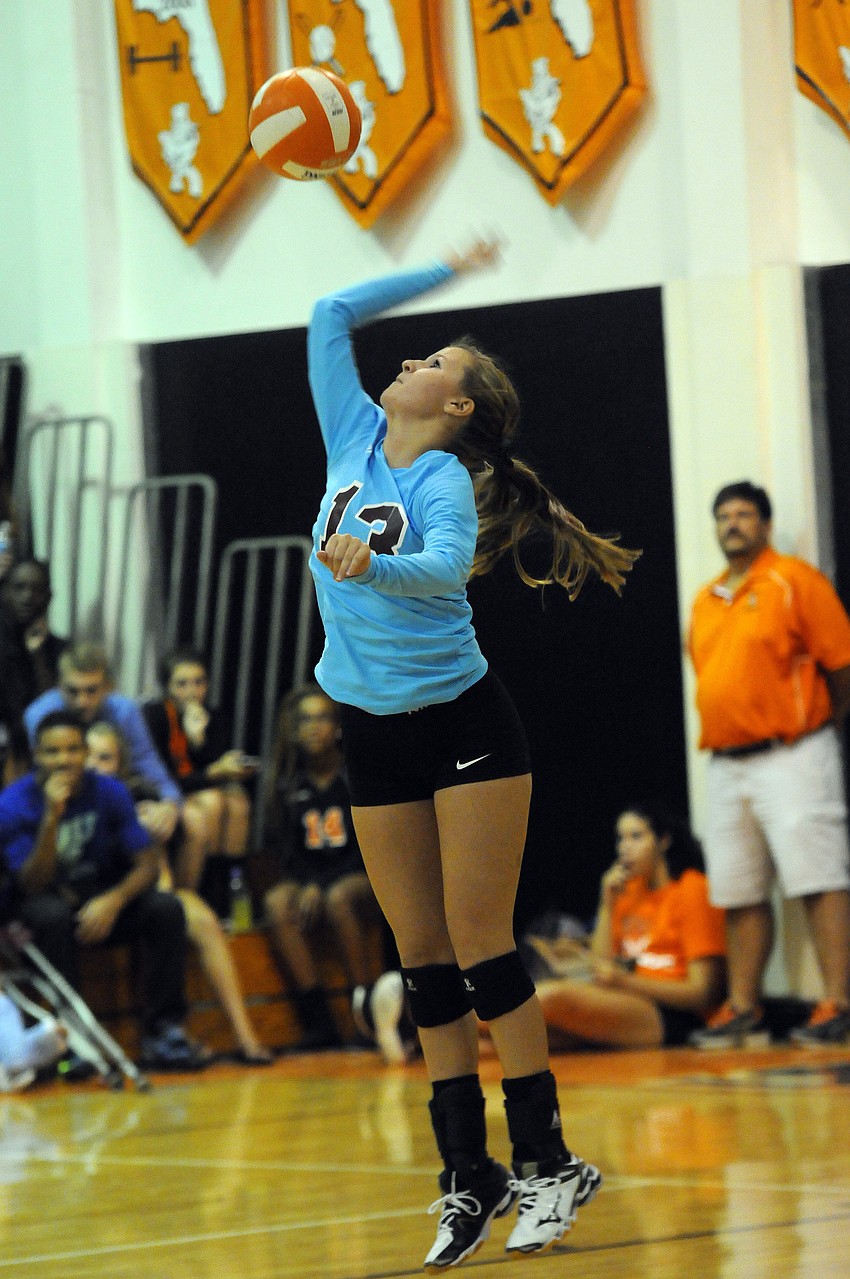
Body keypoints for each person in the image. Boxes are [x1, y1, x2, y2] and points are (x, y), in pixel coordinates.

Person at [306, 240, 639, 1266]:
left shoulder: (445, 474)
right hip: (371, 726)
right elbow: (329, 311)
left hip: (463, 723)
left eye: (435, 361)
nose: (410, 361)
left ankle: (547, 1161)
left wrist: (373, 561)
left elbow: (447, 565)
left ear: (457, 406)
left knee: (482, 946)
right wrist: (445, 267)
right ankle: (468, 1172)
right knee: (422, 963)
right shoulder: (354, 433)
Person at [688, 480, 850, 1048]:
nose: (732, 524)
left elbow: (841, 663)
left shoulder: (795, 580)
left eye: (744, 514)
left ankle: (839, 1003)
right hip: (726, 763)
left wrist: (821, 725)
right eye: (724, 515)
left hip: (794, 753)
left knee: (819, 878)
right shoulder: (705, 599)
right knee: (738, 888)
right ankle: (743, 1007)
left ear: (765, 524)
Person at [0, 710, 207, 1070]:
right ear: (36, 756)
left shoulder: (110, 791)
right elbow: (30, 883)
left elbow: (147, 865)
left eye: (73, 750)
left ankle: (164, 1030)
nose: (64, 760)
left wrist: (113, 901)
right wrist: (51, 817)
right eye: (52, 751)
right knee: (51, 915)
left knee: (166, 908)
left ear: (85, 752)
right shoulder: (13, 803)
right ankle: (74, 1039)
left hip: (99, 894)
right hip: (41, 902)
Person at [85, 721, 273, 1065]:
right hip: (96, 897)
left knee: (198, 919)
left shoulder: (138, 796)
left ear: (121, 762)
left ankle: (246, 1037)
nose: (95, 766)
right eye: (89, 757)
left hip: (146, 891)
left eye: (105, 758)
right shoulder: (72, 801)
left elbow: (162, 877)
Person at [263, 684, 410, 1060]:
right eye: (305, 720)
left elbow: (369, 849)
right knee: (277, 903)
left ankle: (365, 1011)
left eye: (322, 718)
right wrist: (308, 883)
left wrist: (319, 884)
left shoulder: (354, 775)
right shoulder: (289, 785)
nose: (313, 727)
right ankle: (319, 1021)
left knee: (338, 897)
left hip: (363, 875)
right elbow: (288, 853)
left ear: (338, 727)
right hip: (314, 878)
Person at [532, 806, 727, 1050]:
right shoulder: (629, 892)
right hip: (628, 999)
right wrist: (606, 904)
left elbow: (703, 993)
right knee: (512, 1041)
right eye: (620, 838)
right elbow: (601, 968)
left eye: (636, 836)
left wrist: (624, 981)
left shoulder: (692, 889)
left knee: (547, 999)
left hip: (675, 1012)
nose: (624, 847)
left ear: (664, 840)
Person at [24, 643, 182, 848]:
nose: (82, 701)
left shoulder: (124, 712)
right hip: (59, 803)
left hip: (116, 798)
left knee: (160, 821)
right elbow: (38, 776)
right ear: (59, 685)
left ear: (108, 687)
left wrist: (169, 805)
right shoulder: (40, 715)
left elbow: (149, 766)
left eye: (91, 691)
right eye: (72, 691)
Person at [142, 648, 255, 891]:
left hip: (198, 789)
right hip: (164, 792)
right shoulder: (156, 716)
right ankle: (199, 891)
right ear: (167, 687)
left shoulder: (213, 717)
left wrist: (198, 741)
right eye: (181, 684)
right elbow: (163, 778)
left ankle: (230, 888)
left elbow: (214, 767)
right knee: (212, 802)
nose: (192, 692)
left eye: (199, 682)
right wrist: (214, 771)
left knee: (238, 803)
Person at [0, 558, 67, 782]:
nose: (28, 597)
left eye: (36, 589)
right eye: (19, 588)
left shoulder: (60, 651)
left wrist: (38, 656)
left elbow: (54, 714)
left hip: (48, 756)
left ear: (48, 596)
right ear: (4, 592)